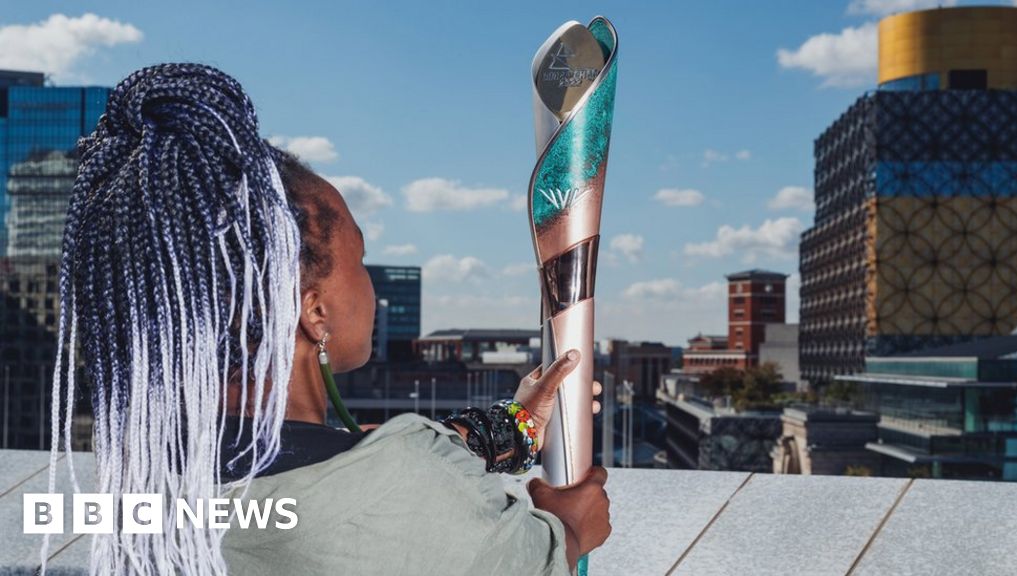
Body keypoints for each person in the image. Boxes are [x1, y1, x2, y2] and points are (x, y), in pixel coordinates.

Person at [47, 63, 610, 576]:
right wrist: (567, 532)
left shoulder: (144, 478)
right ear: (313, 310)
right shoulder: (403, 493)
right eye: (358, 259)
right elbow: (417, 508)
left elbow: (343, 476)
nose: (370, 289)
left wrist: (515, 424)